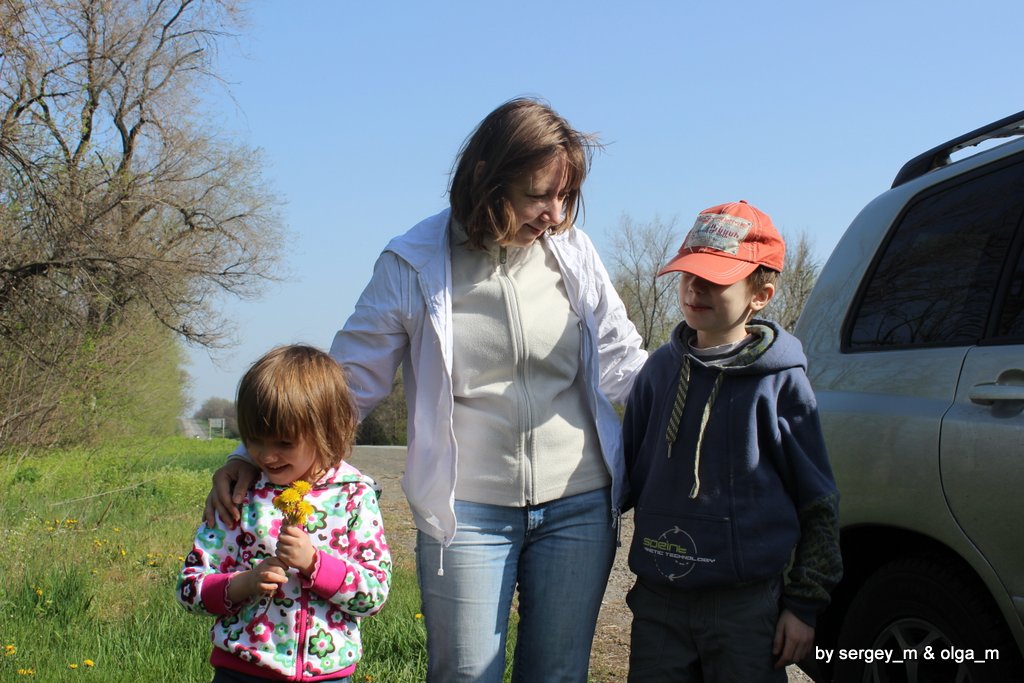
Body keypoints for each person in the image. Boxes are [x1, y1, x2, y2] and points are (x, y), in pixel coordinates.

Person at [205, 97, 647, 682]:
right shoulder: (410, 264)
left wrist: (709, 398)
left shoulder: (575, 254)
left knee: (558, 674)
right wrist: (249, 454)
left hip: (580, 503)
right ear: (487, 179)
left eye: (565, 196)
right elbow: (341, 390)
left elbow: (626, 366)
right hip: (465, 514)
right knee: (464, 675)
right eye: (539, 195)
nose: (555, 214)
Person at [622, 200, 842, 682]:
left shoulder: (781, 384)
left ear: (760, 294)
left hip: (745, 608)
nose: (695, 287)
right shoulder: (658, 372)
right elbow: (624, 475)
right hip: (660, 600)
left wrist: (804, 605)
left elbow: (818, 500)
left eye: (715, 278)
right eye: (688, 273)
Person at [178, 344, 391, 682]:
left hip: (328, 676)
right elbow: (190, 589)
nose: (266, 456)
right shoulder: (240, 495)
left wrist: (315, 564)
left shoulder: (354, 496)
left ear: (328, 431)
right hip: (242, 671)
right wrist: (245, 583)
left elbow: (374, 594)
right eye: (254, 440)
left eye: (284, 443)